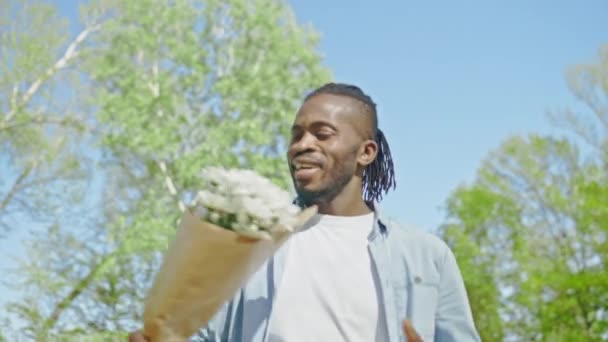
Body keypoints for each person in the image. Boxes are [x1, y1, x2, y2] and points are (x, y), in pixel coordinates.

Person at [130, 83, 480, 341]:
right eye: (296, 135)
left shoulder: (427, 256)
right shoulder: (248, 245)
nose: (302, 145)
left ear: (366, 152)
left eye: (322, 134)